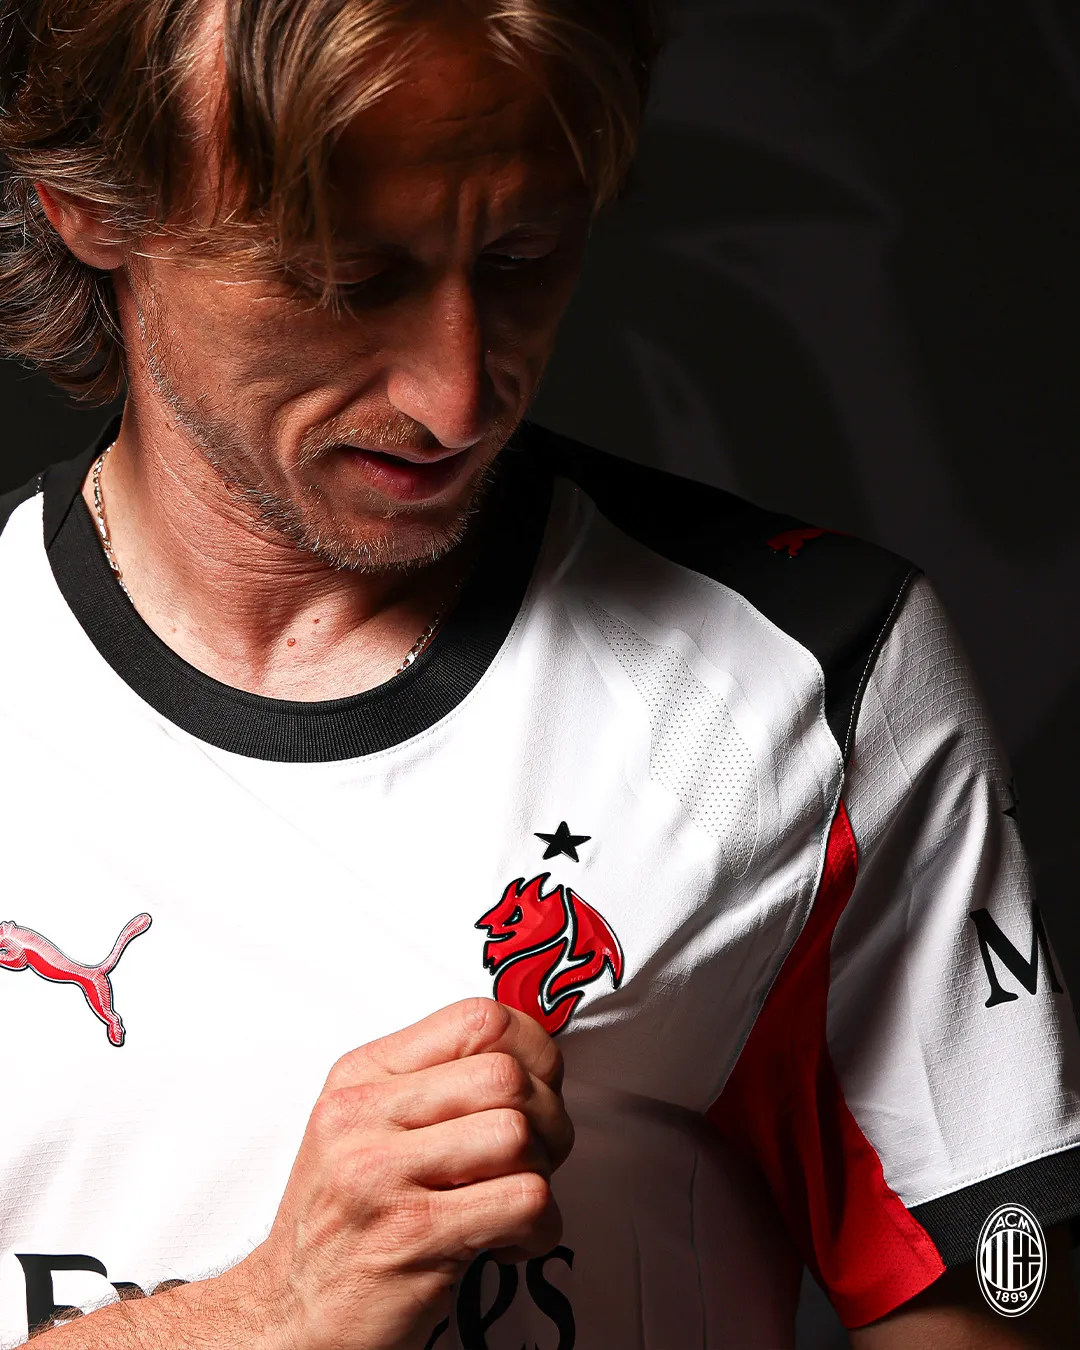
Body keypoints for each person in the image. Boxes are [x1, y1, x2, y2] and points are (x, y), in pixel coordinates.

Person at [0, 1, 1077, 1346]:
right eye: (351, 278)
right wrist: (274, 1311)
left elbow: (1003, 1303)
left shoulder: (811, 672)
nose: (458, 395)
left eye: (522, 257)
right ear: (91, 208)